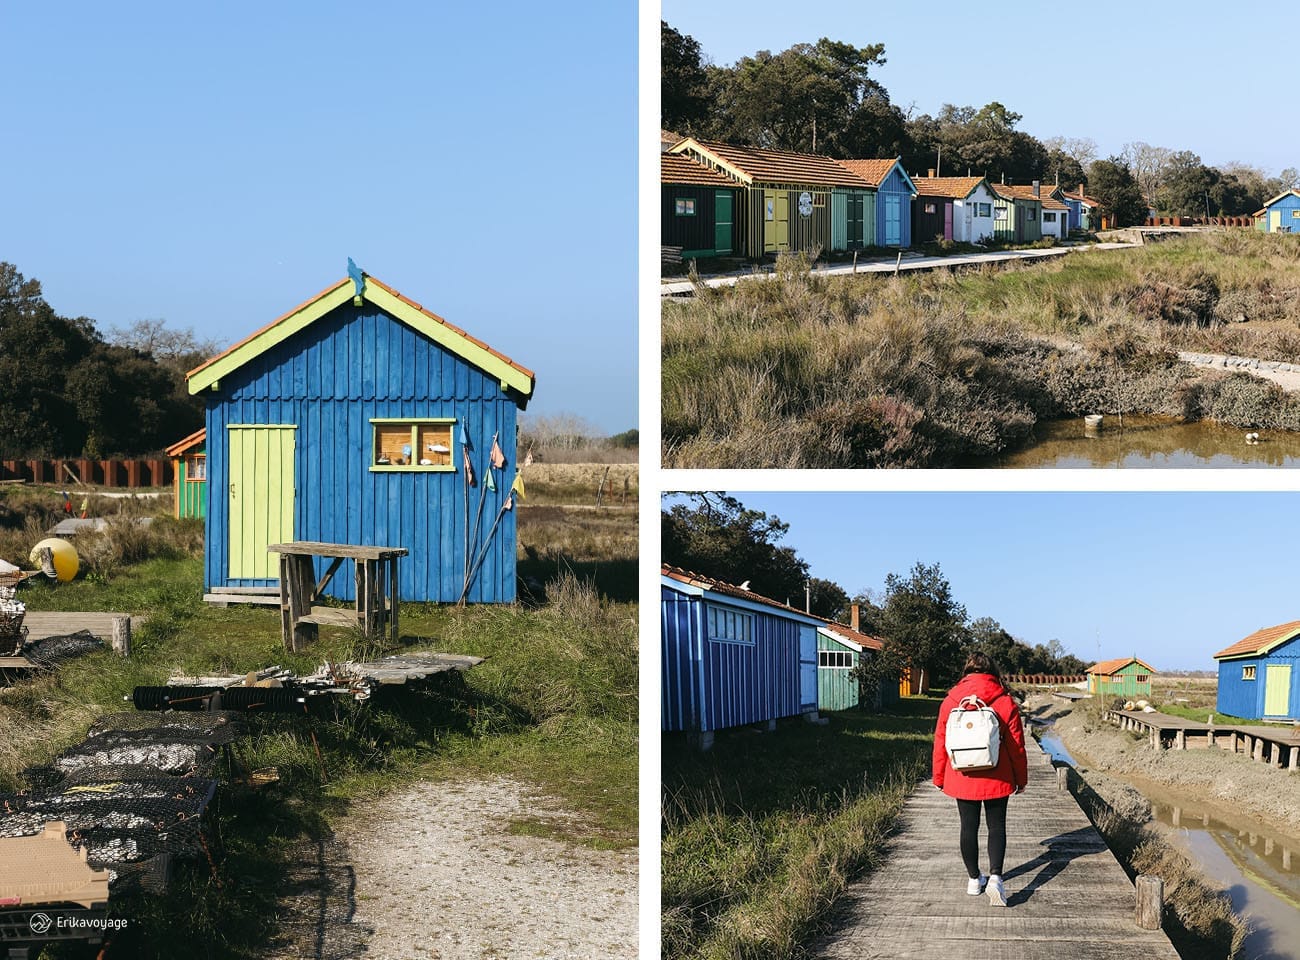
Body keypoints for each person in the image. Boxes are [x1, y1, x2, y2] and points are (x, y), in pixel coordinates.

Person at [932, 652, 1028, 907]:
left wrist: (939, 777)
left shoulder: (951, 700)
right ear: (992, 672)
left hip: (961, 775)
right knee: (996, 827)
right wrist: (1021, 778)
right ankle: (996, 876)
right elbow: (1017, 745)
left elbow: (941, 741)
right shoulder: (1004, 701)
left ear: (966, 671)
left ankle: (974, 879)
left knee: (968, 827)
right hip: (997, 774)